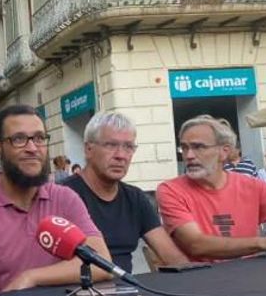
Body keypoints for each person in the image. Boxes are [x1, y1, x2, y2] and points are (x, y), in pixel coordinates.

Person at [0, 104, 113, 296]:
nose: (32, 148)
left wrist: (31, 277)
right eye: (19, 139)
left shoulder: (65, 198)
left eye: (39, 138)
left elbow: (102, 263)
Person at [157, 115, 266, 261]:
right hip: (198, 284)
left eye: (198, 147)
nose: (189, 155)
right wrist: (265, 242)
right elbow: (196, 245)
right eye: (184, 148)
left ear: (224, 151)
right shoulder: (170, 190)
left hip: (248, 281)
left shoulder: (253, 187)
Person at [62, 111, 189, 273]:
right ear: (88, 149)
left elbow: (172, 257)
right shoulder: (63, 196)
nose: (121, 155)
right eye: (110, 145)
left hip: (128, 293)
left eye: (128, 147)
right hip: (78, 293)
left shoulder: (135, 198)